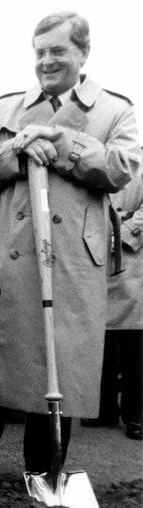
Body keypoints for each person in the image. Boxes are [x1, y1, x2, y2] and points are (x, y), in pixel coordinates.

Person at [0, 11, 141, 490]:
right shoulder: (8, 108)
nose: (47, 61)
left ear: (83, 54)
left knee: (58, 367)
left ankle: (43, 473)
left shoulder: (114, 110)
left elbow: (121, 168)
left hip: (69, 260)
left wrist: (61, 141)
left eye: (59, 51)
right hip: (8, 252)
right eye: (40, 51)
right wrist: (17, 152)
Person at [83, 172, 143, 440]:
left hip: (132, 258)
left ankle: (136, 413)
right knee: (100, 337)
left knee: (134, 343)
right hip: (95, 254)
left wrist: (123, 234)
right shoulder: (96, 166)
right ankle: (102, 407)